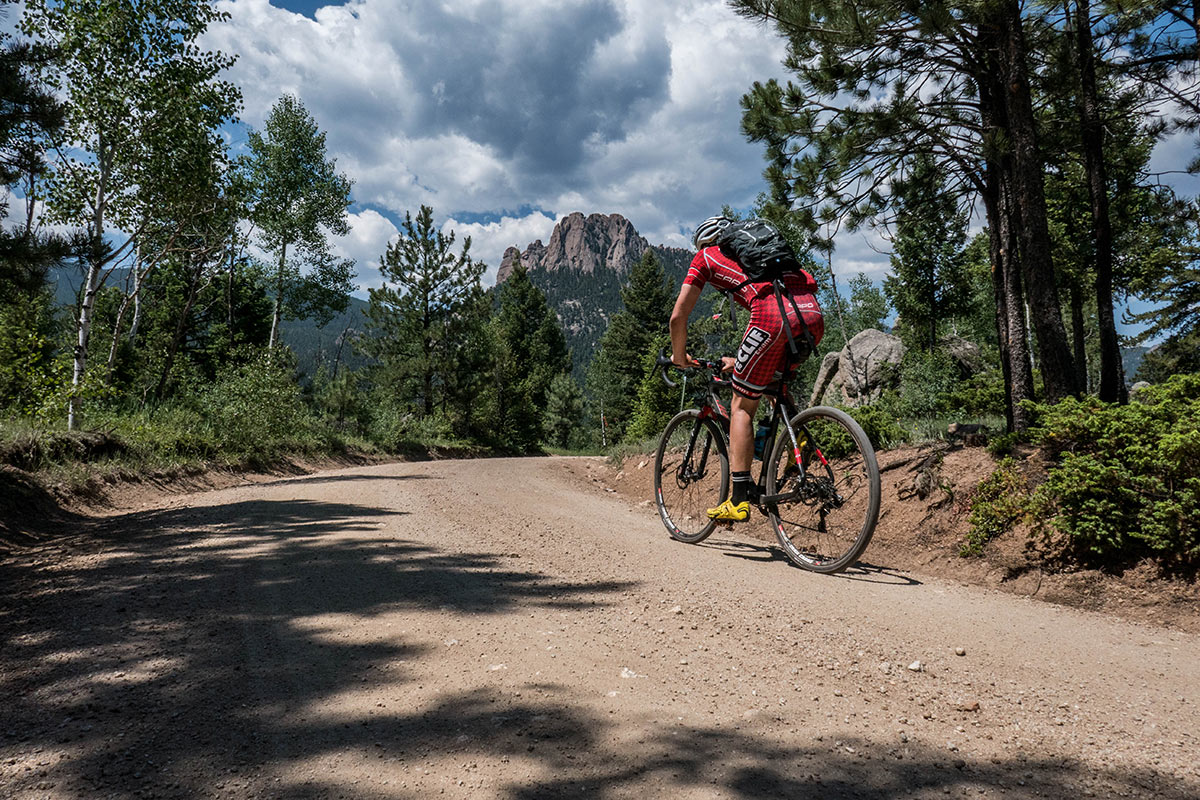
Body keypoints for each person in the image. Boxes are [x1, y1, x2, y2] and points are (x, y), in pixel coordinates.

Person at [669, 215, 825, 522]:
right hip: (811, 313)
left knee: (741, 407)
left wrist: (678, 355)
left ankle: (738, 499)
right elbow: (809, 282)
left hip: (772, 317)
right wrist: (739, 360)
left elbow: (678, 317)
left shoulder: (705, 257)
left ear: (704, 242)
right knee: (770, 384)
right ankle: (799, 437)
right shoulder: (764, 256)